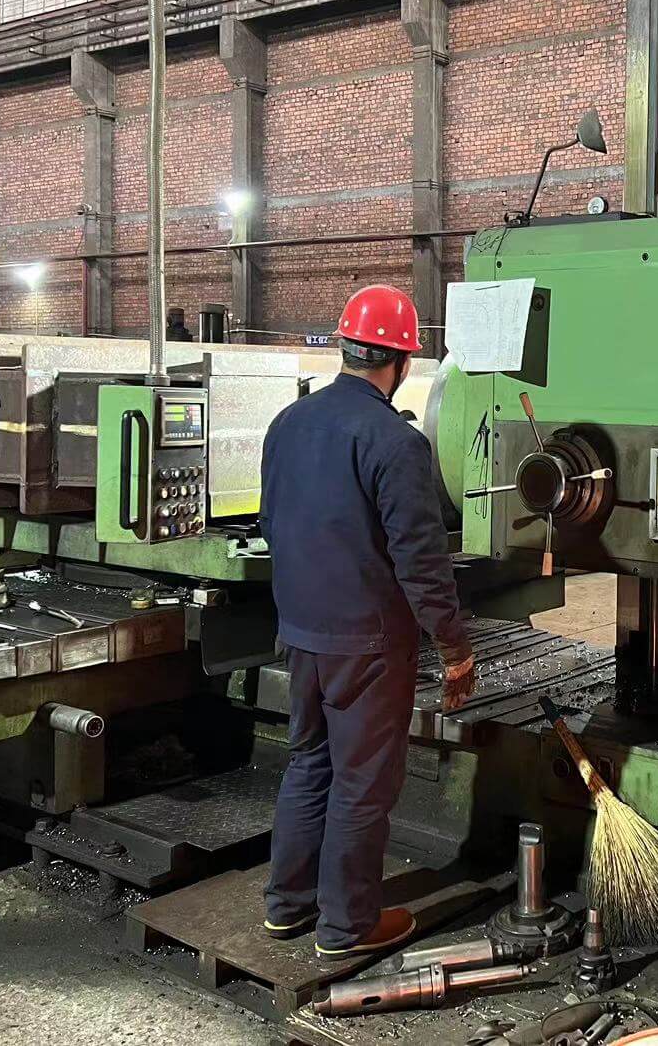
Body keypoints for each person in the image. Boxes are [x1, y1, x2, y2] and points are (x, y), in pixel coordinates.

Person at [258, 283, 475, 957]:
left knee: (309, 763)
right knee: (361, 784)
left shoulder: (288, 423)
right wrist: (455, 646)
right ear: (403, 362)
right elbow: (421, 561)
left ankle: (287, 906)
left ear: (346, 348)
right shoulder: (395, 441)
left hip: (301, 632)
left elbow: (270, 523)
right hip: (368, 645)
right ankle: (346, 926)